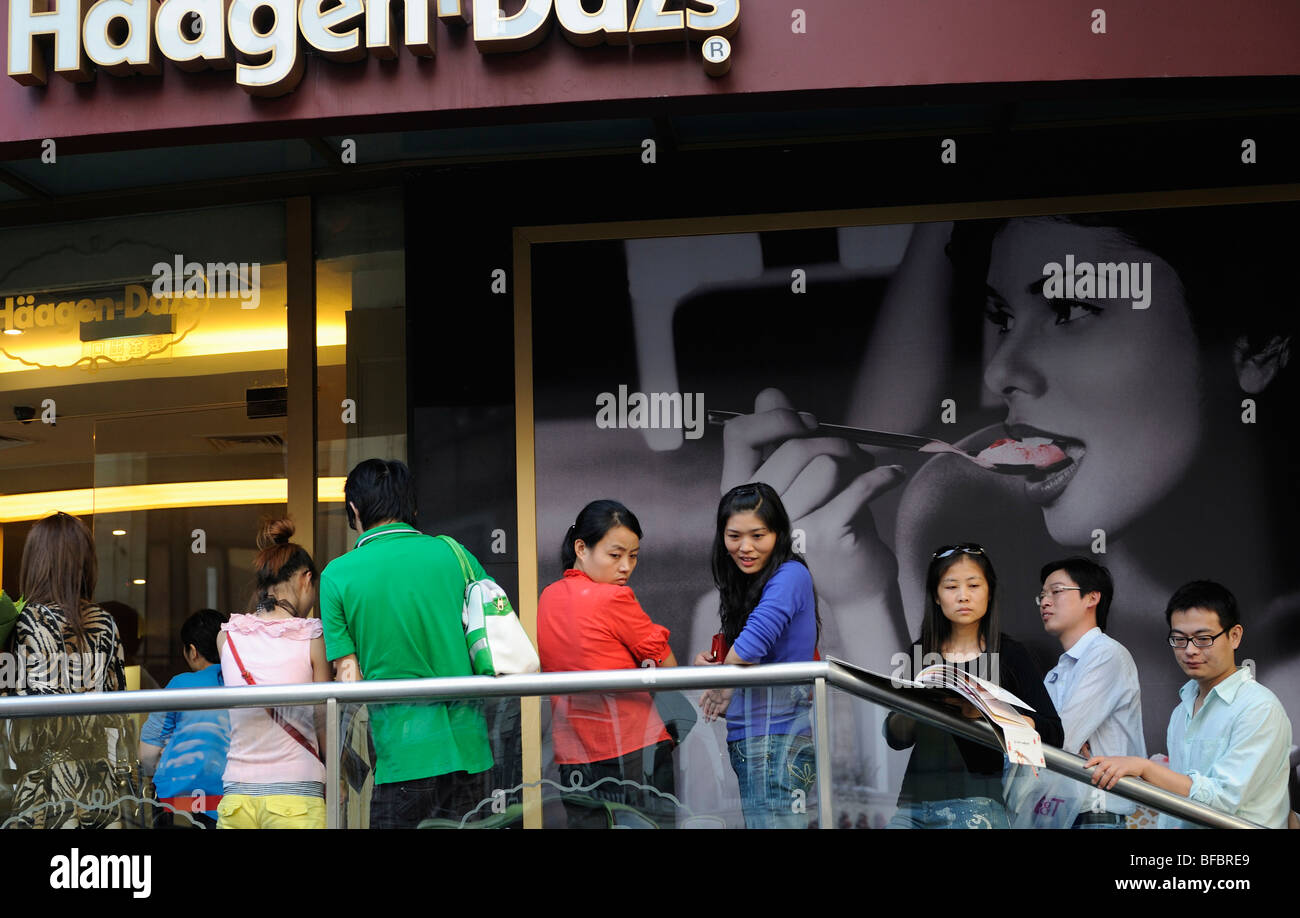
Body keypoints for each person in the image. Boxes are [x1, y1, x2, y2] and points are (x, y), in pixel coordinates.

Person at [711, 207, 1299, 763]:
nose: (1000, 372)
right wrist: (861, 604)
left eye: (1069, 310)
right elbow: (935, 785)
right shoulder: (961, 511)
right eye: (1002, 319)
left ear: (1258, 344)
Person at [319, 458, 493, 828]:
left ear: (354, 510)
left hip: (403, 755)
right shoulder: (455, 554)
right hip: (472, 750)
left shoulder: (337, 574)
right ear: (410, 506)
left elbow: (348, 678)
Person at [1086, 581, 1292, 829]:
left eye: (1203, 638)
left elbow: (1222, 800)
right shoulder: (1182, 709)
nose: (1190, 650)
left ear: (1234, 636)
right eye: (1179, 639)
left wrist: (1145, 768)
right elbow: (1177, 799)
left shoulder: (1258, 708)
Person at [884, 543, 1063, 829]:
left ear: (989, 593)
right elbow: (896, 739)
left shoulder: (1009, 653)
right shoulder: (920, 652)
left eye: (973, 585)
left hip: (979, 800)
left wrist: (987, 714)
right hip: (914, 804)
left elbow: (1053, 733)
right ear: (936, 597)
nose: (963, 596)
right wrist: (913, 710)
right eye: (951, 586)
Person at [537, 499, 679, 828]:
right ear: (581, 548)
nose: (626, 567)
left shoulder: (548, 596)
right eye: (615, 555)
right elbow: (668, 665)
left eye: (633, 556)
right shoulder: (613, 597)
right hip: (635, 749)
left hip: (574, 754)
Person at [693, 482, 819, 829]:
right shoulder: (747, 582)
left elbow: (750, 646)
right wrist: (721, 670)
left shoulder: (790, 574)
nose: (744, 547)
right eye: (734, 536)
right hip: (757, 738)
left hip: (778, 739)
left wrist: (725, 679)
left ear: (779, 534)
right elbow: (746, 653)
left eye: (758, 535)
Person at [2, 512, 135, 829]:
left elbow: (11, 716)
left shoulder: (24, 623)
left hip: (40, 788)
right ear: (85, 563)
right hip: (98, 786)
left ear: (36, 562)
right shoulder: (105, 623)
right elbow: (119, 707)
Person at [216, 517, 331, 830]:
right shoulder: (312, 637)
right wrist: (337, 779)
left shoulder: (227, 637)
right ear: (306, 580)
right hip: (296, 793)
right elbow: (324, 721)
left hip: (237, 793)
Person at [1038, 557, 1144, 828]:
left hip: (1096, 816)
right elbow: (1050, 740)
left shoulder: (1106, 653)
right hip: (1057, 815)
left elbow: (1062, 735)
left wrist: (1057, 736)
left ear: (1092, 597)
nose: (1045, 602)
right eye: (1042, 595)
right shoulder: (1056, 672)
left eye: (1057, 591)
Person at [139, 609, 231, 828]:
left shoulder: (180, 685)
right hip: (232, 801)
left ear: (192, 650)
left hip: (181, 803)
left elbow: (147, 753)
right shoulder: (240, 681)